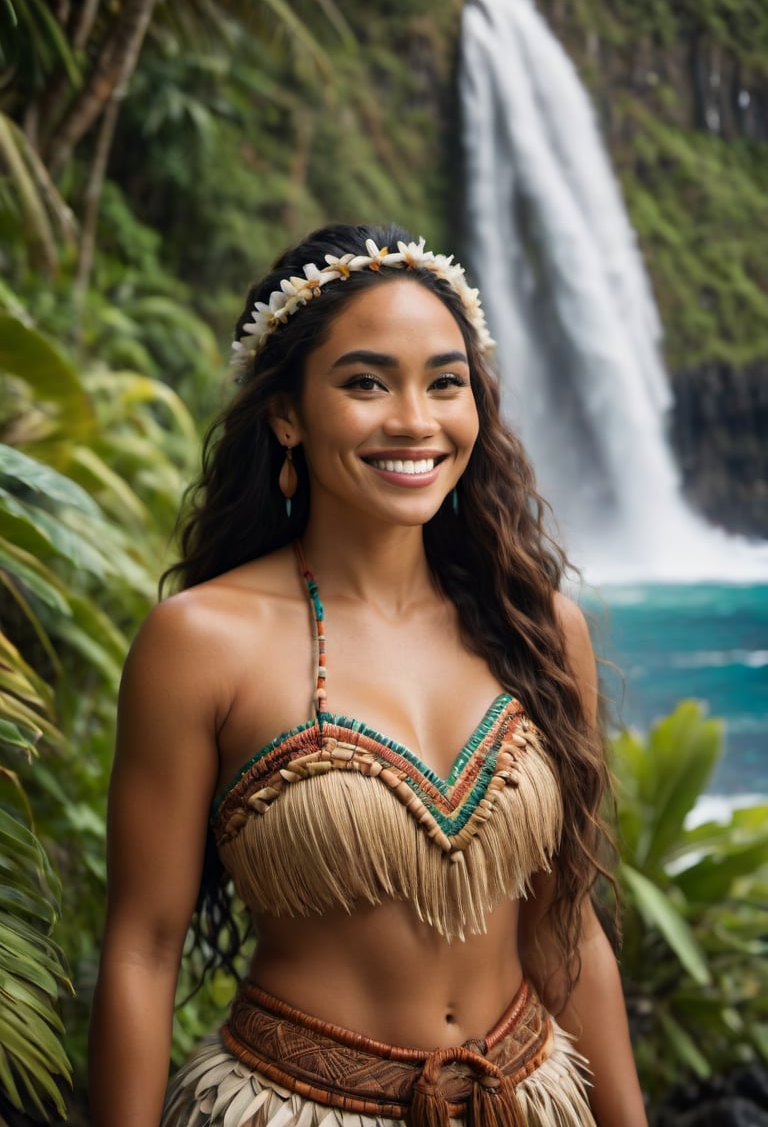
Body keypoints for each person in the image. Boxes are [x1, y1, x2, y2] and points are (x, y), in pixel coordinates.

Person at [88, 223, 648, 1127]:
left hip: (528, 1099)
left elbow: (565, 928)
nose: (415, 421)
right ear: (286, 414)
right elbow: (144, 949)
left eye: (445, 381)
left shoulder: (539, 630)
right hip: (289, 1107)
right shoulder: (200, 643)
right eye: (365, 382)